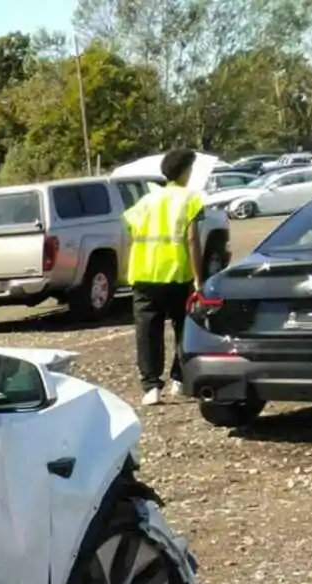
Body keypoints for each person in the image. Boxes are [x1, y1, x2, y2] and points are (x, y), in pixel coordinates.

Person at [123, 148, 207, 407]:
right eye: (190, 169)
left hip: (144, 274)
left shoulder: (147, 201)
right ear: (184, 172)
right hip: (177, 273)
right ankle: (179, 380)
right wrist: (199, 278)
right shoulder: (191, 199)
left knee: (147, 331)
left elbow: (132, 231)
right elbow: (192, 240)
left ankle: (150, 387)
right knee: (184, 327)